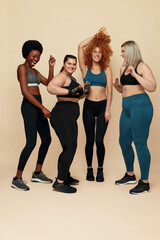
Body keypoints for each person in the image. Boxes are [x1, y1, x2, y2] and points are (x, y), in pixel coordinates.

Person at [113, 40, 156, 195]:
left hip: (141, 106)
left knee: (140, 143)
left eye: (124, 51)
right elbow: (125, 89)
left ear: (131, 51)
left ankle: (145, 183)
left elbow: (152, 86)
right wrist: (117, 86)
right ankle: (130, 175)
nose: (121, 54)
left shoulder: (141, 66)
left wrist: (135, 73)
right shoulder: (122, 67)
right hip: (126, 107)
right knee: (123, 141)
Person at [11, 40, 55, 191]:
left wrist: (51, 67)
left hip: (38, 106)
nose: (36, 59)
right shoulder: (22, 68)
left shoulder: (35, 72)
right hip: (30, 106)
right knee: (31, 142)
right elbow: (25, 92)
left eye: (38, 57)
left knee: (47, 139)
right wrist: (42, 108)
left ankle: (37, 173)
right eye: (34, 56)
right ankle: (17, 178)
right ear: (27, 53)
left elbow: (49, 84)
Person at [47, 55, 89, 193]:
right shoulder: (62, 76)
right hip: (62, 115)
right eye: (69, 63)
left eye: (74, 64)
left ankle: (65, 176)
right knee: (70, 146)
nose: (72, 66)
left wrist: (85, 92)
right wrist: (70, 91)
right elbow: (51, 87)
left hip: (69, 116)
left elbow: (75, 96)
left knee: (70, 146)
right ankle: (60, 182)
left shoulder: (72, 79)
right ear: (64, 64)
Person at [78, 28, 113, 182]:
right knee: (89, 140)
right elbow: (80, 46)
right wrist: (96, 37)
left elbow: (110, 90)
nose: (97, 54)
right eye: (94, 51)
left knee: (100, 141)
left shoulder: (107, 69)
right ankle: (89, 169)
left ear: (103, 53)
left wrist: (107, 110)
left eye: (100, 52)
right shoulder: (85, 68)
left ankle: (100, 169)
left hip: (102, 107)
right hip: (89, 107)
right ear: (90, 53)